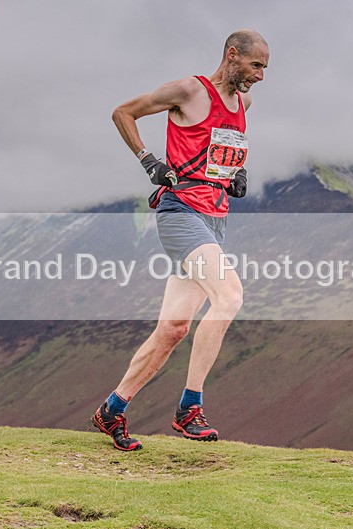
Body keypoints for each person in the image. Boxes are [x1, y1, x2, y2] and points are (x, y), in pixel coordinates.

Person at [92, 30, 270, 451]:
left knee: (173, 328)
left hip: (215, 220)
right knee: (229, 296)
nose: (261, 76)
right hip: (180, 213)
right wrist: (149, 161)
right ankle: (190, 408)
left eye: (265, 68)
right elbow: (122, 112)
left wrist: (236, 173)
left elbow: (225, 146)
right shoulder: (190, 90)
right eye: (256, 65)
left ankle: (111, 410)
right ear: (232, 55)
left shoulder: (243, 102)